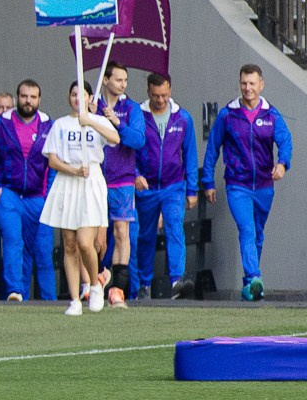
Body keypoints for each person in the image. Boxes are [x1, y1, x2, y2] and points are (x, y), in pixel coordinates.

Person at [203, 64, 293, 299]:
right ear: (239, 83)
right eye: (244, 83)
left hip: (264, 185)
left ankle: (250, 287)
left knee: (257, 235)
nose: (248, 88)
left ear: (261, 84)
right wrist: (208, 182)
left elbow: (285, 140)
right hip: (237, 184)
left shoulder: (271, 114)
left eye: (252, 83)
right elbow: (212, 148)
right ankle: (254, 276)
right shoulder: (228, 114)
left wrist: (282, 164)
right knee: (247, 228)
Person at [41, 82, 125, 315]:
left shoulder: (96, 121)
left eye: (83, 95)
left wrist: (91, 121)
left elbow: (116, 138)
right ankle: (75, 299)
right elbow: (52, 160)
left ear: (90, 98)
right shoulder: (60, 124)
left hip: (91, 182)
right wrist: (73, 170)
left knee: (86, 243)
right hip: (68, 182)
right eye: (74, 94)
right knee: (69, 243)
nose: (78, 98)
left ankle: (96, 283)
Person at [0, 80, 55, 302]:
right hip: (8, 194)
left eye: (33, 97)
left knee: (42, 249)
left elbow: (54, 162)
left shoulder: (48, 125)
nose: (28, 101)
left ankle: (50, 301)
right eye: (24, 96)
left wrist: (48, 193)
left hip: (38, 197)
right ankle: (15, 292)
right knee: (13, 241)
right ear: (17, 98)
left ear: (39, 99)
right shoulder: (0, 124)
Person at [133, 73, 197, 298]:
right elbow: (127, 149)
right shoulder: (138, 115)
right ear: (148, 92)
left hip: (173, 185)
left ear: (170, 90)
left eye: (164, 95)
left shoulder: (183, 118)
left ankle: (177, 280)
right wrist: (135, 174)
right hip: (147, 187)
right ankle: (144, 284)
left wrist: (192, 190)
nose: (160, 100)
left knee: (174, 227)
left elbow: (190, 154)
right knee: (146, 235)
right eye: (155, 95)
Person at [94, 66, 147, 305]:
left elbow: (138, 140)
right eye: (118, 79)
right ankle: (95, 279)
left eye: (125, 80)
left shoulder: (131, 108)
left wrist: (118, 123)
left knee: (122, 232)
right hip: (95, 177)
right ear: (106, 80)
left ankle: (119, 287)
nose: (123, 84)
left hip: (123, 179)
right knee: (94, 235)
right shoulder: (92, 105)